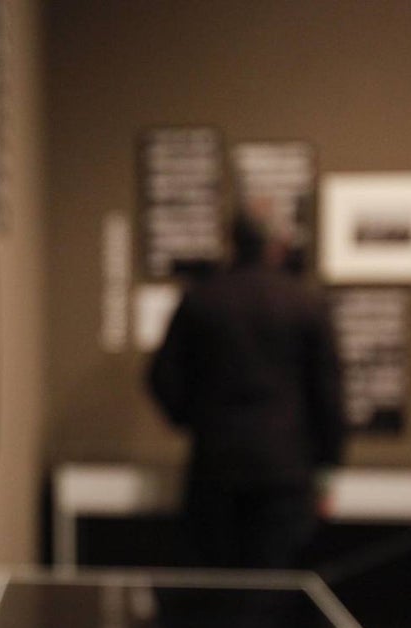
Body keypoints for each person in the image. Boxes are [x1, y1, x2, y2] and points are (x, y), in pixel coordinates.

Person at [148, 213, 345, 573]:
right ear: (277, 245)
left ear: (231, 241)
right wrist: (328, 467)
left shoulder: (202, 299)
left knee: (217, 586)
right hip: (286, 468)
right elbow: (328, 394)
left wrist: (193, 419)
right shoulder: (305, 302)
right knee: (275, 588)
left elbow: (161, 377)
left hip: (216, 463)